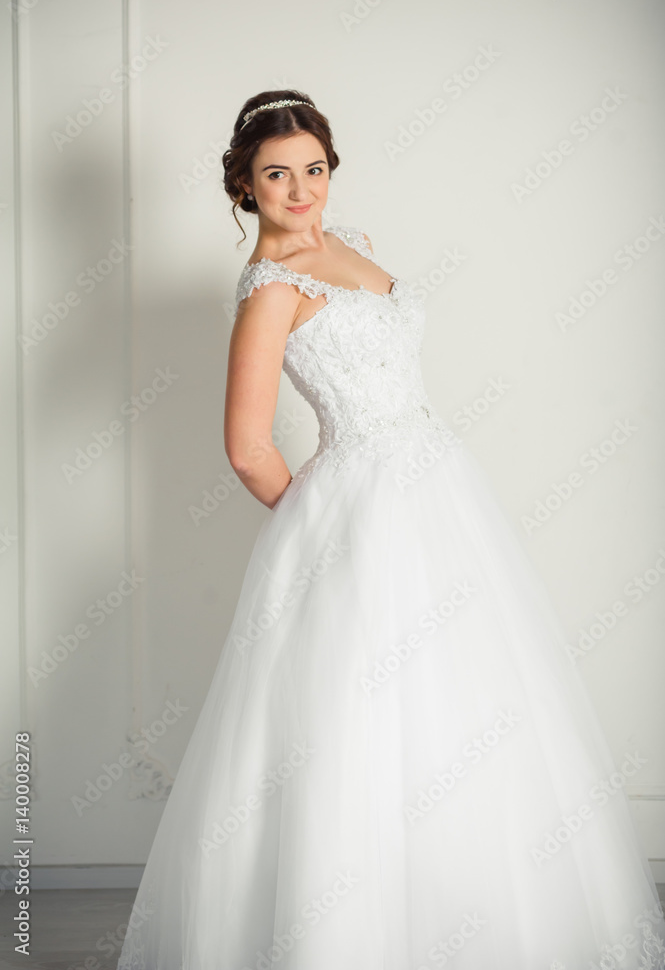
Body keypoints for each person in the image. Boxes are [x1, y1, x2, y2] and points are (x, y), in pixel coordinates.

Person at [117, 90, 665, 970]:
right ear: (243, 188)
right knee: (357, 718)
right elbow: (248, 446)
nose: (300, 191)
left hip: (440, 485)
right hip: (362, 502)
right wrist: (323, 522)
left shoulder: (352, 245)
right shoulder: (270, 291)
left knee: (469, 705)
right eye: (276, 175)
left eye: (314, 170)